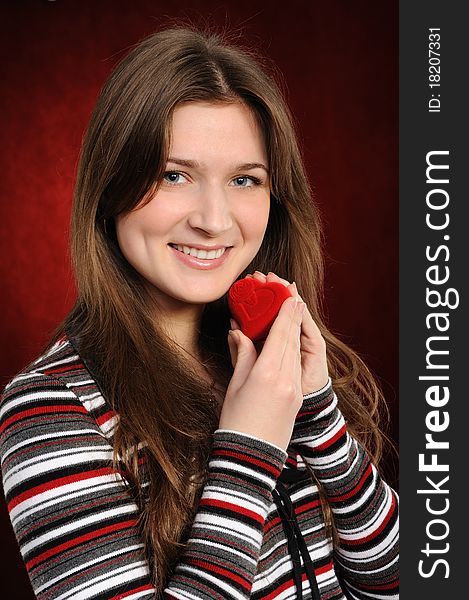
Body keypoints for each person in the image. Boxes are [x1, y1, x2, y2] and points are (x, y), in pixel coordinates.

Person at [0, 25, 398, 600]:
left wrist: (318, 417)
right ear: (112, 187)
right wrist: (249, 446)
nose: (214, 219)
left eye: (244, 180)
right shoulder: (50, 413)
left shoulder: (271, 364)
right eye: (174, 175)